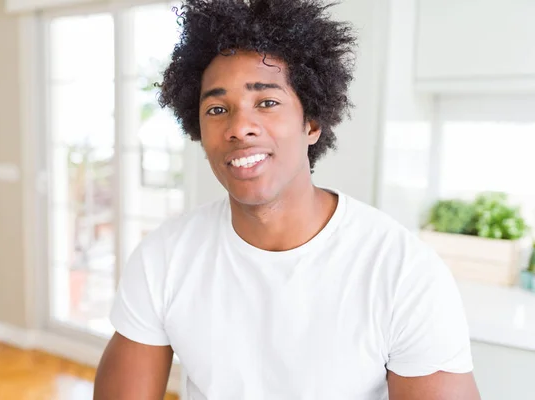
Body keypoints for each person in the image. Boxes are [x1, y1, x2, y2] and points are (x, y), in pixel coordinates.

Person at [94, 0, 481, 398]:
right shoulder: (164, 259)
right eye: (217, 108)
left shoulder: (403, 272)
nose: (240, 127)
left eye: (267, 102)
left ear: (311, 122)